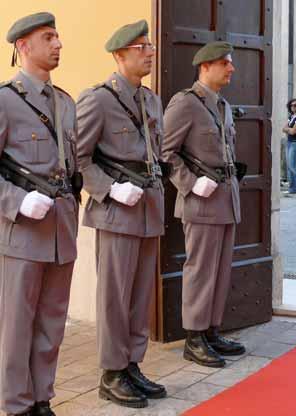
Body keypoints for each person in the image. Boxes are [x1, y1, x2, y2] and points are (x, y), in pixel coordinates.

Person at [76, 20, 167, 408]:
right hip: (116, 210)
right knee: (114, 295)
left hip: (147, 208)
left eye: (149, 46)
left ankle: (131, 363)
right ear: (120, 55)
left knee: (140, 293)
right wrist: (109, 189)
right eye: (141, 47)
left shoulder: (152, 100)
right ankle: (111, 373)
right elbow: (76, 159)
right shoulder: (98, 99)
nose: (150, 52)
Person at [0, 12, 80, 416]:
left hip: (60, 229)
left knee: (51, 321)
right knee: (16, 324)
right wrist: (14, 201)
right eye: (49, 37)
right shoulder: (4, 101)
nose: (58, 43)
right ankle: (15, 405)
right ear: (23, 47)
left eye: (58, 36)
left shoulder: (65, 103)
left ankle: (41, 398)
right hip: (22, 232)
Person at [162, 41, 246, 369]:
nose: (231, 68)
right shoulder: (185, 104)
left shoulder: (222, 105)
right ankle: (194, 338)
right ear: (205, 66)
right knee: (200, 270)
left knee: (221, 270)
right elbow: (165, 152)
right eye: (225, 63)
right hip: (201, 202)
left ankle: (211, 330)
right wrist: (190, 182)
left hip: (226, 200)